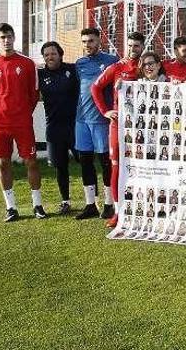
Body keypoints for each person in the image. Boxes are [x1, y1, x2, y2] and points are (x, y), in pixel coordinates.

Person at [0, 23, 43, 221]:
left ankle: (37, 205)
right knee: (3, 163)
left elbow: (34, 94)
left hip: (23, 123)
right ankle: (11, 208)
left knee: (31, 162)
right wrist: (1, 110)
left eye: (9, 36)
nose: (6, 40)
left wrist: (23, 112)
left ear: (14, 38)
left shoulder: (27, 63)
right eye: (2, 37)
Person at [92, 31, 144, 226]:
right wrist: (105, 111)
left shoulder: (146, 66)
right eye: (130, 45)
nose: (133, 49)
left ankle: (141, 208)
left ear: (142, 47)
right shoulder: (116, 67)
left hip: (142, 126)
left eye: (136, 46)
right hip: (118, 125)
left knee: (141, 166)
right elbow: (95, 88)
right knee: (116, 166)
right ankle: (118, 211)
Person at [74, 27, 119, 220]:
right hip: (81, 120)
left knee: (105, 162)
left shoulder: (111, 61)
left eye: (91, 41)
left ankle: (109, 204)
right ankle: (90, 204)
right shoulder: (80, 63)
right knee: (85, 161)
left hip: (101, 120)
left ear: (99, 41)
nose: (87, 45)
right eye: (84, 42)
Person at [38, 40, 79, 215]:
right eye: (46, 55)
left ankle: (94, 200)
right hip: (54, 129)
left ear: (60, 54)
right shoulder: (39, 75)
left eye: (53, 53)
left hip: (76, 126)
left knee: (85, 163)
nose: (50, 57)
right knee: (61, 167)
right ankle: (65, 201)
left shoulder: (72, 69)